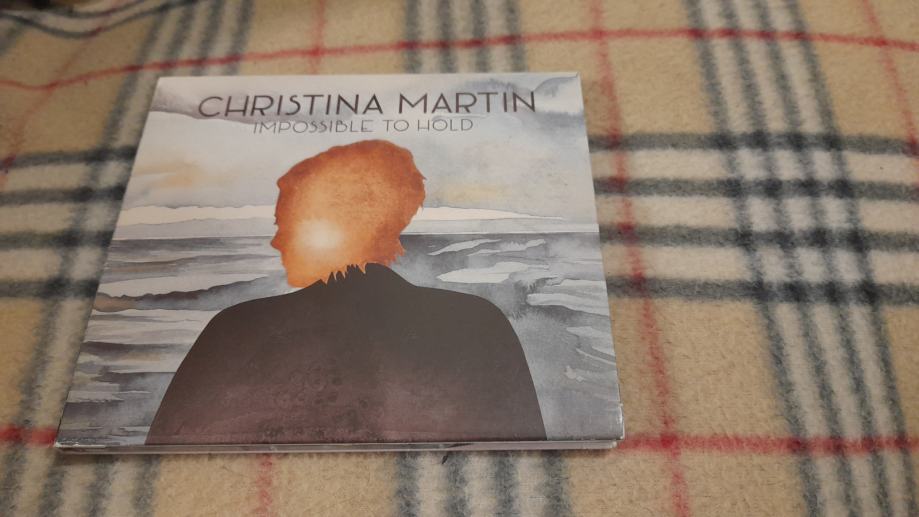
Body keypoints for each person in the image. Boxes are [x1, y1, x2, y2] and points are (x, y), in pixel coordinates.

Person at [146, 140, 546, 445]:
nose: (277, 242)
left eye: (285, 225)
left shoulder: (238, 327)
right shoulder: (475, 322)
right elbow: (525, 448)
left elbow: (168, 450)